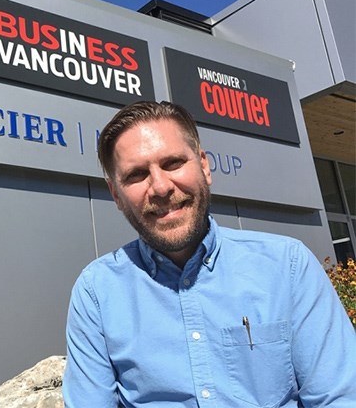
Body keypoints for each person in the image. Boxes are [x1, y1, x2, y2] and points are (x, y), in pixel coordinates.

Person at [63, 100, 356, 407]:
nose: (161, 187)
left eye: (173, 163)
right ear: (116, 196)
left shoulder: (288, 266)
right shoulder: (97, 292)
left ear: (204, 166)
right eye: (137, 174)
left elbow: (339, 398)